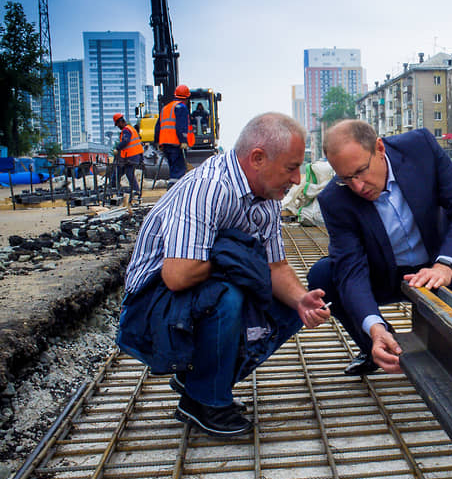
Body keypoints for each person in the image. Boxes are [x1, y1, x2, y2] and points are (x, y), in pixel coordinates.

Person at [118, 112, 331, 438]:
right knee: (229, 294)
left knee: (287, 305)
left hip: (193, 293)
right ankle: (204, 401)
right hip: (151, 309)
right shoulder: (211, 188)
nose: (298, 179)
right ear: (258, 158)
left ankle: (200, 378)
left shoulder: (267, 196)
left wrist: (302, 300)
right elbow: (177, 275)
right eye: (291, 167)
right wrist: (235, 259)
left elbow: (276, 268)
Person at [306, 120, 452, 376]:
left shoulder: (421, 148)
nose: (357, 187)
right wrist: (375, 328)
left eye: (361, 171)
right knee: (323, 277)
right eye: (345, 178)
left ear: (379, 148)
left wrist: (445, 265)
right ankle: (379, 348)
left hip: (434, 268)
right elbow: (351, 271)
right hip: (382, 273)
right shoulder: (334, 198)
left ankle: (445, 348)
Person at [154, 84, 192, 183]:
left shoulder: (165, 108)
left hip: (165, 144)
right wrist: (183, 140)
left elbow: (157, 127)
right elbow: (181, 126)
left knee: (172, 169)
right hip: (175, 143)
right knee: (179, 170)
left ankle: (172, 188)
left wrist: (157, 142)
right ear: (187, 98)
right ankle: (175, 191)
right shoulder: (181, 107)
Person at [113, 112, 144, 206]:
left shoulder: (126, 130)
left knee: (121, 173)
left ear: (120, 122)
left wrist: (117, 148)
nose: (118, 126)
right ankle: (135, 192)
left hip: (131, 156)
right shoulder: (130, 128)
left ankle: (117, 191)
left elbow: (126, 141)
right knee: (128, 173)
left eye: (117, 124)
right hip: (133, 156)